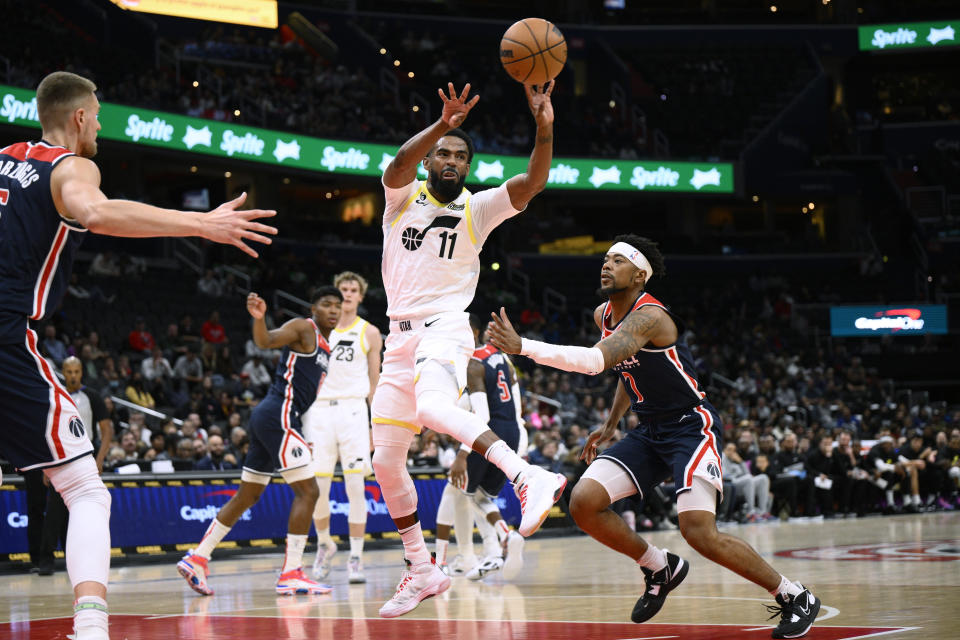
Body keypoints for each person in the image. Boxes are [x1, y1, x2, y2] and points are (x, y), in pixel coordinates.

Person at [0, 71, 276, 640]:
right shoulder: (70, 166)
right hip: (5, 335)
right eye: (97, 113)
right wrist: (203, 224)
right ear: (78, 117)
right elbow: (95, 213)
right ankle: (93, 626)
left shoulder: (3, 157)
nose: (99, 123)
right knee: (84, 491)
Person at [487, 235, 822, 639]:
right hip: (649, 429)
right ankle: (658, 565)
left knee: (698, 531)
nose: (605, 266)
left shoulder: (651, 316)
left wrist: (524, 347)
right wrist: (612, 423)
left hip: (689, 426)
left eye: (617, 261)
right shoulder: (603, 314)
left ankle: (794, 595)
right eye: (604, 259)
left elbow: (598, 362)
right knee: (584, 503)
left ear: (640, 274)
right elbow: (629, 370)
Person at [371, 80, 566, 618]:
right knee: (385, 462)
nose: (451, 159)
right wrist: (441, 124)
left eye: (460, 155)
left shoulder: (478, 209)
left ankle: (529, 476)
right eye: (444, 153)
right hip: (398, 336)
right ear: (431, 158)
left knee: (435, 409)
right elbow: (396, 165)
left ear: (468, 166)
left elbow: (532, 182)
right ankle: (422, 569)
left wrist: (543, 127)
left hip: (446, 328)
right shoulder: (400, 197)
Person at [176, 288, 342, 597]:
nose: (333, 309)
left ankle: (197, 557)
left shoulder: (325, 346)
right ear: (313, 308)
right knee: (309, 491)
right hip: (278, 415)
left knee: (247, 496)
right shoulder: (304, 327)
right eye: (326, 304)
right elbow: (265, 341)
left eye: (337, 305)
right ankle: (292, 572)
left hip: (273, 418)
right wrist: (259, 319)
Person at [302, 271, 382, 584]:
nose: (347, 294)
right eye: (343, 289)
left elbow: (376, 383)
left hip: (352, 411)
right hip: (318, 412)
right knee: (318, 488)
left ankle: (356, 558)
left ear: (360, 297)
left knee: (355, 487)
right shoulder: (316, 329)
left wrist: (376, 425)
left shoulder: (370, 332)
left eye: (353, 290)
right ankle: (325, 545)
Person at [434, 315, 527, 581]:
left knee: (451, 495)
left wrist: (463, 454)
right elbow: (517, 409)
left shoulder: (474, 361)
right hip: (512, 433)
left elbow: (482, 414)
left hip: (486, 434)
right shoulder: (506, 362)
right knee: (479, 497)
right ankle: (502, 541)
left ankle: (439, 563)